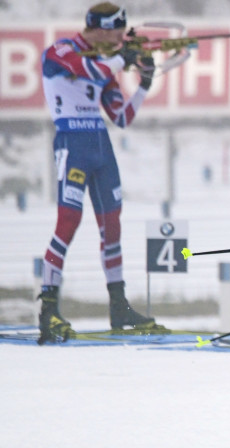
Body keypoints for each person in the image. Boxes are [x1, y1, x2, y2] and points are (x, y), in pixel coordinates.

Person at [37, 2, 165, 344]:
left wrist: (144, 83)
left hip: (100, 146)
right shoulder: (62, 50)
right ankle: (48, 306)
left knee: (113, 224)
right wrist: (124, 58)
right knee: (68, 220)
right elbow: (90, 72)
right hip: (73, 142)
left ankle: (119, 305)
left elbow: (122, 116)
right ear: (99, 29)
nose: (120, 39)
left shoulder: (104, 64)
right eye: (116, 34)